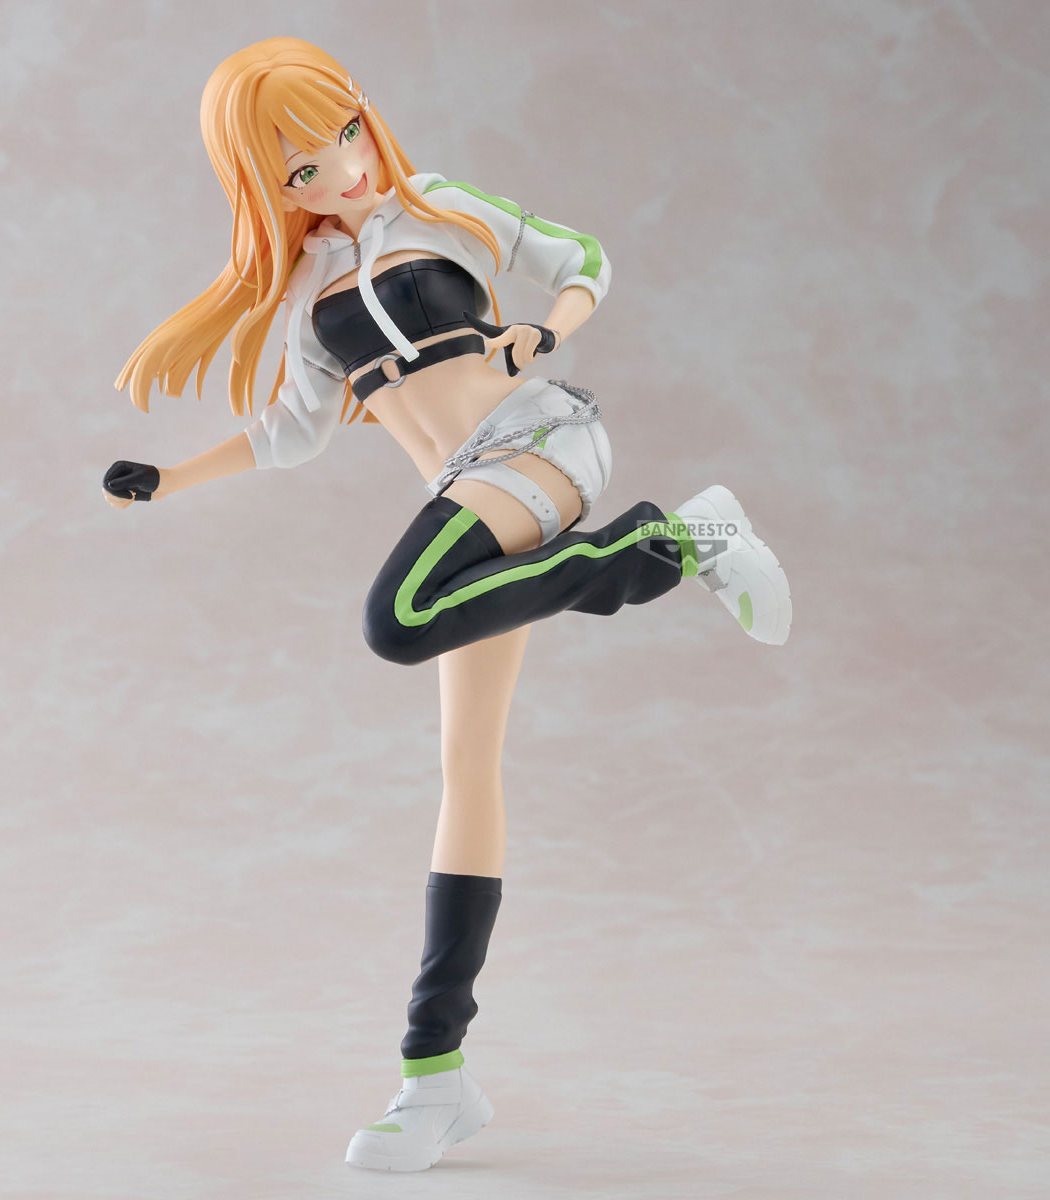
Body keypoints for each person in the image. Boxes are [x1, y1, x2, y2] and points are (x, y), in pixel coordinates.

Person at [102, 36, 792, 1173]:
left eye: (343, 135)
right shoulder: (308, 296)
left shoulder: (439, 207)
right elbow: (288, 434)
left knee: (398, 620)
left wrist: (546, 329)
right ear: (269, 190)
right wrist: (169, 480)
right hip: (466, 500)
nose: (340, 170)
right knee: (466, 769)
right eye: (301, 169)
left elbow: (581, 258)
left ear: (365, 116)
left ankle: (677, 539)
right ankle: (436, 1075)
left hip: (536, 445)